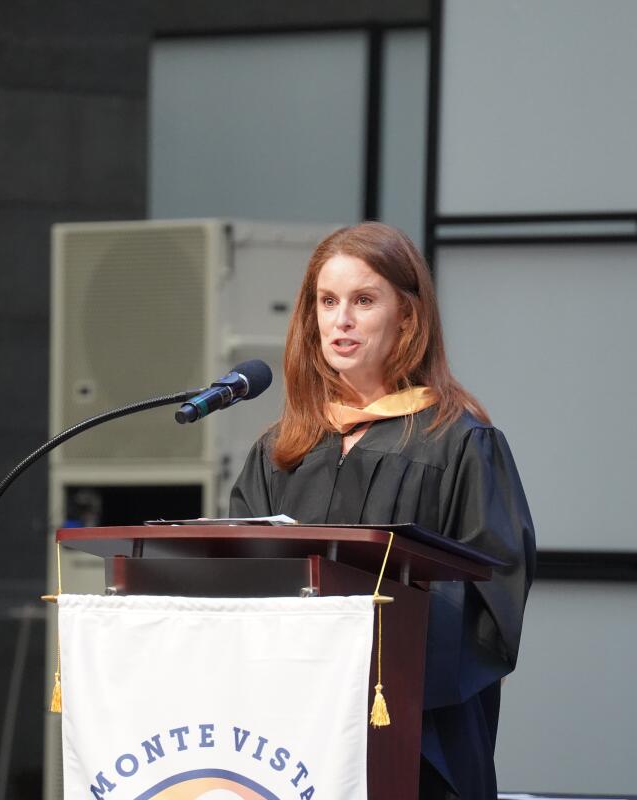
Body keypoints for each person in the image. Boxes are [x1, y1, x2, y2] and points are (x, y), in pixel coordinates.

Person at [229, 222, 535, 799]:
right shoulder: (280, 452)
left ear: (407, 317)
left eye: (363, 300)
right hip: (290, 741)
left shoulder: (460, 444)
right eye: (327, 302)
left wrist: (359, 655)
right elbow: (241, 581)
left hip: (418, 741)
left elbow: (489, 601)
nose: (340, 320)